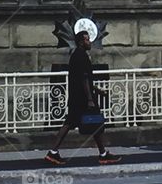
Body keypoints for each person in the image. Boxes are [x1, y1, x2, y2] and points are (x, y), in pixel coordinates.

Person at [45, 30, 121, 166]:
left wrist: (97, 90)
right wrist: (90, 98)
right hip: (82, 99)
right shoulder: (80, 56)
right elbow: (84, 78)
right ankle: (102, 154)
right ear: (81, 42)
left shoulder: (78, 55)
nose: (89, 42)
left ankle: (54, 152)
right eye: (87, 40)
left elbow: (86, 78)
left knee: (79, 123)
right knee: (93, 123)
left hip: (78, 97)